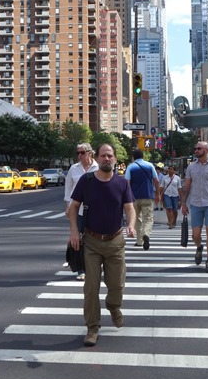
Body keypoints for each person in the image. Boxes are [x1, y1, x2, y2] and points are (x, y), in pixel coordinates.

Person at [66, 143, 136, 347]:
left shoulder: (122, 183)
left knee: (117, 284)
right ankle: (92, 327)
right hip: (91, 242)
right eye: (103, 155)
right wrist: (74, 232)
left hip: (115, 241)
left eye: (110, 156)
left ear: (115, 159)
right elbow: (73, 207)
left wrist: (131, 225)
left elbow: (130, 208)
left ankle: (113, 306)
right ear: (97, 158)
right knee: (91, 287)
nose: (107, 159)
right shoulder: (87, 181)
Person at [180, 141, 208, 273]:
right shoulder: (191, 167)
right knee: (195, 235)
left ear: (206, 150)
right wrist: (183, 204)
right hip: (195, 204)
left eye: (199, 148)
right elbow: (186, 187)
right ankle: (199, 247)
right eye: (195, 149)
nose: (196, 151)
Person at [65, 142, 98, 280]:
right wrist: (68, 206)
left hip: (95, 209)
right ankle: (81, 269)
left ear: (90, 153)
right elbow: (68, 188)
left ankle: (94, 266)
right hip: (77, 210)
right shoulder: (74, 169)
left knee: (94, 238)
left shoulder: (98, 167)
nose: (79, 155)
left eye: (82, 152)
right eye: (77, 153)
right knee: (77, 238)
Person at [124, 148, 159, 250]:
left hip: (133, 197)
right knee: (148, 218)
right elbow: (156, 181)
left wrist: (126, 197)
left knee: (136, 218)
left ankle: (139, 241)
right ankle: (146, 234)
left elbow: (127, 183)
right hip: (148, 196)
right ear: (143, 156)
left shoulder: (130, 167)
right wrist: (158, 194)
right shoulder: (150, 165)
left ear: (133, 157)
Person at [159, 165, 182, 229]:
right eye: (169, 169)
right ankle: (170, 222)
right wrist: (159, 194)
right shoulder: (164, 178)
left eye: (171, 169)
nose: (170, 170)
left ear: (174, 171)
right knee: (169, 208)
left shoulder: (177, 178)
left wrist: (181, 197)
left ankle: (174, 221)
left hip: (175, 195)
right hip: (167, 195)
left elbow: (179, 187)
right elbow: (162, 186)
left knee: (175, 210)